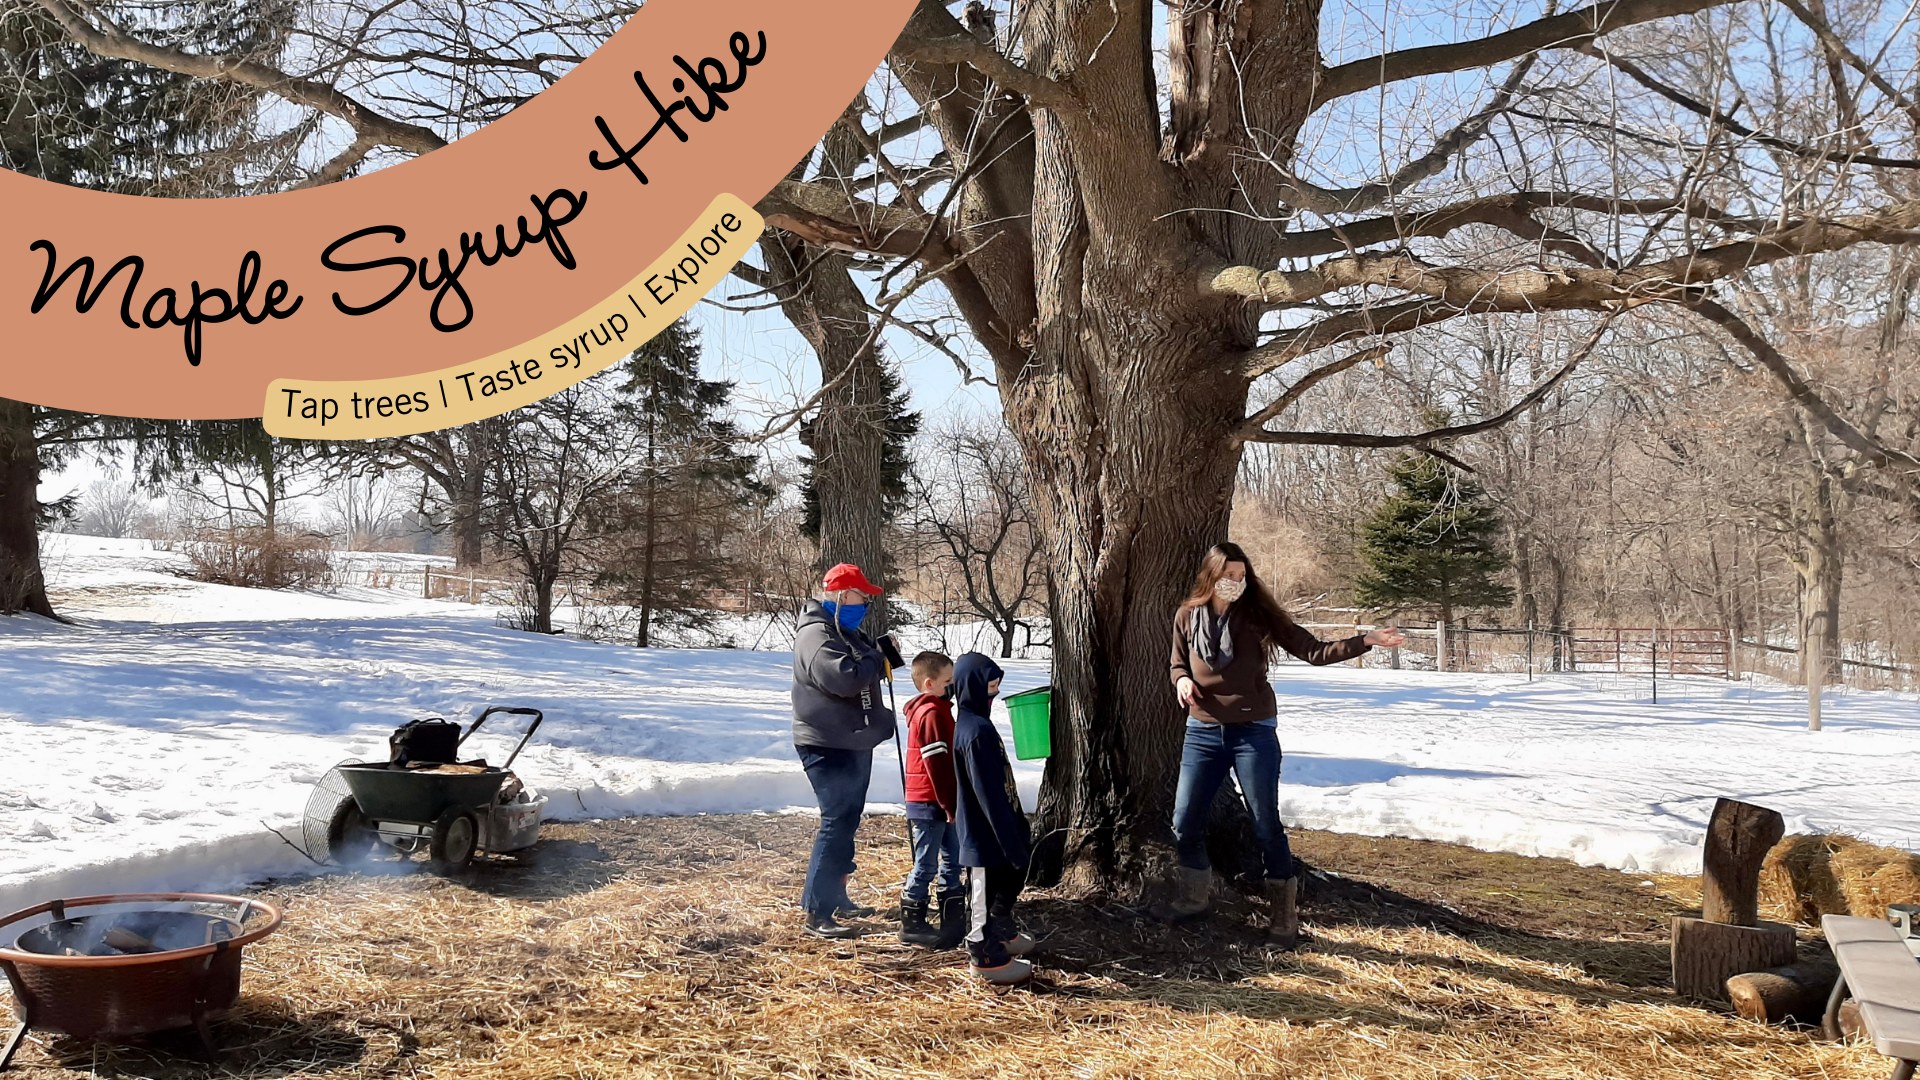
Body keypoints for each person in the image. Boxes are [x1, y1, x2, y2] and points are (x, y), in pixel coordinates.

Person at [1161, 542, 1406, 947]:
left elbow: (1313, 651)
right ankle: (1193, 899)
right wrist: (1181, 680)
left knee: (1265, 824)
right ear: (1211, 576)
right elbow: (1177, 662)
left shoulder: (1258, 616)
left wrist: (1366, 640)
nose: (1235, 583)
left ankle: (1283, 917)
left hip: (1252, 731)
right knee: (1185, 821)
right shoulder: (1187, 616)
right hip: (1202, 732)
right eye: (1228, 576)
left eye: (1241, 576)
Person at [790, 562, 899, 939]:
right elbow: (843, 679)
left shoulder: (847, 631)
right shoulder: (817, 635)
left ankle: (836, 895)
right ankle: (817, 910)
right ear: (839, 595)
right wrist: (872, 658)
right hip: (825, 742)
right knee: (836, 821)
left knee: (847, 819)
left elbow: (871, 669)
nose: (865, 603)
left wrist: (885, 655)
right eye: (860, 596)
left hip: (851, 740)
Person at [949, 652, 1038, 984]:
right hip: (983, 837)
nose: (995, 692)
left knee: (1005, 885)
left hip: (1002, 830)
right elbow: (988, 796)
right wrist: (1007, 837)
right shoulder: (974, 733)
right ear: (972, 686)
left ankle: (1001, 931)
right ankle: (985, 958)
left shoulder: (981, 726)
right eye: (990, 685)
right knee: (982, 899)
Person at [897, 650, 967, 949]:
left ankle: (953, 919)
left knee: (953, 859)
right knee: (926, 863)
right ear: (929, 683)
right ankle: (912, 922)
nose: (953, 686)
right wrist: (949, 805)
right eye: (948, 681)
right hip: (929, 801)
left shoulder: (940, 708)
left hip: (943, 800)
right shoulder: (931, 714)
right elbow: (936, 765)